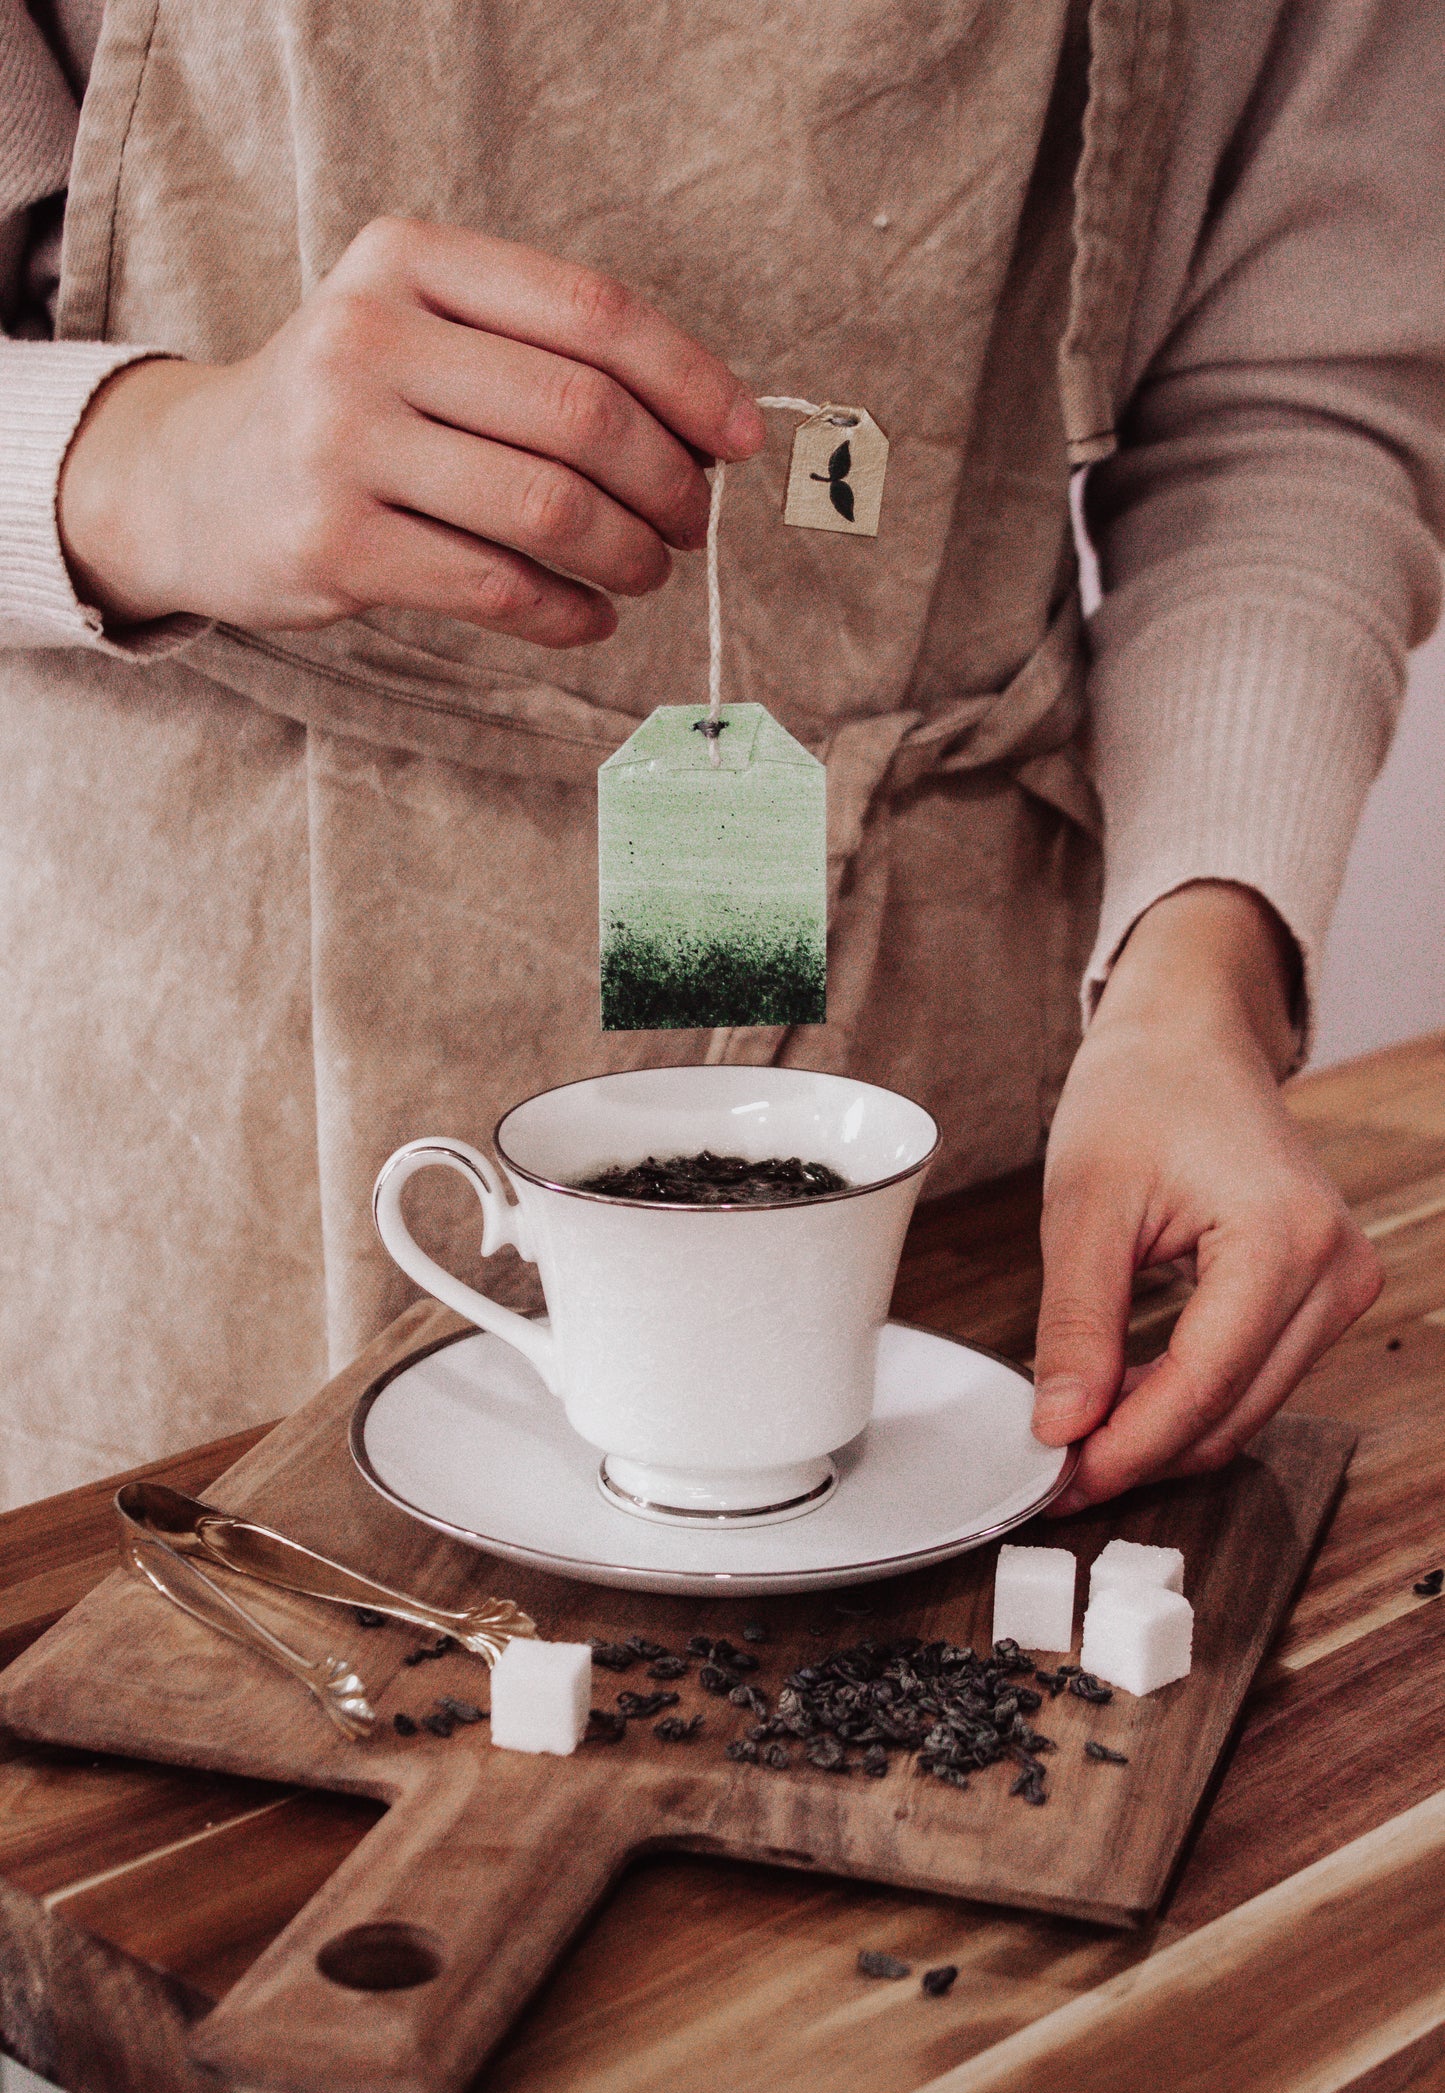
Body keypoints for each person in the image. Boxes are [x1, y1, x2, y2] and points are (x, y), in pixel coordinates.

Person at [0, 0, 1438, 1513]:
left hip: (964, 1065)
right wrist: (148, 463)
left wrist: (1196, 979)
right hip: (202, 1067)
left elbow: (1297, 404)